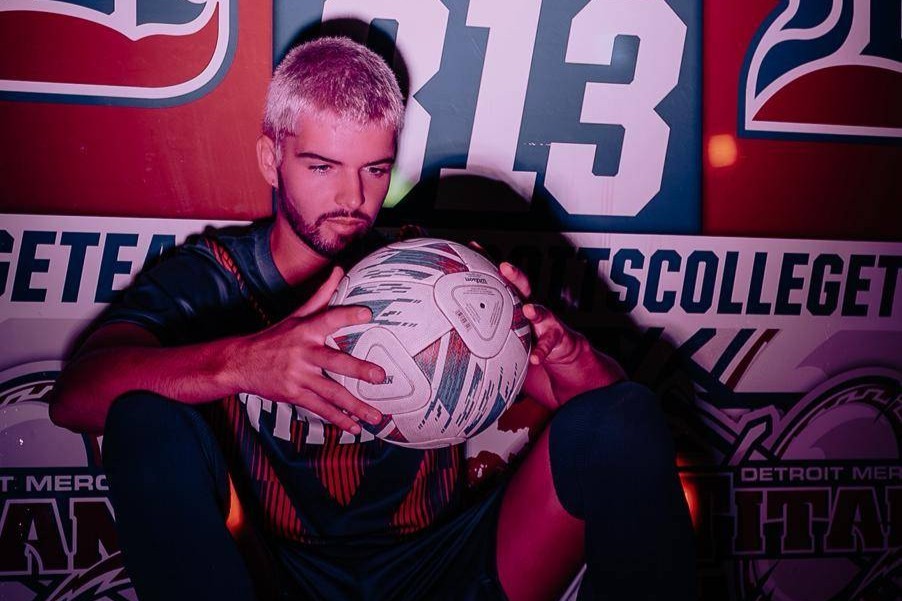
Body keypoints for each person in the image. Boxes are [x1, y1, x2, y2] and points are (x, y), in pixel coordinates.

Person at [49, 37, 695, 601]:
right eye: (322, 166)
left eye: (375, 170)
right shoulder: (216, 278)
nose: (353, 197)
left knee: (625, 413)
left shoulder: (430, 269)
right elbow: (76, 396)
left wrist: (568, 354)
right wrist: (244, 362)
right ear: (272, 159)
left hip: (446, 562)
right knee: (143, 420)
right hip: (280, 576)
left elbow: (600, 418)